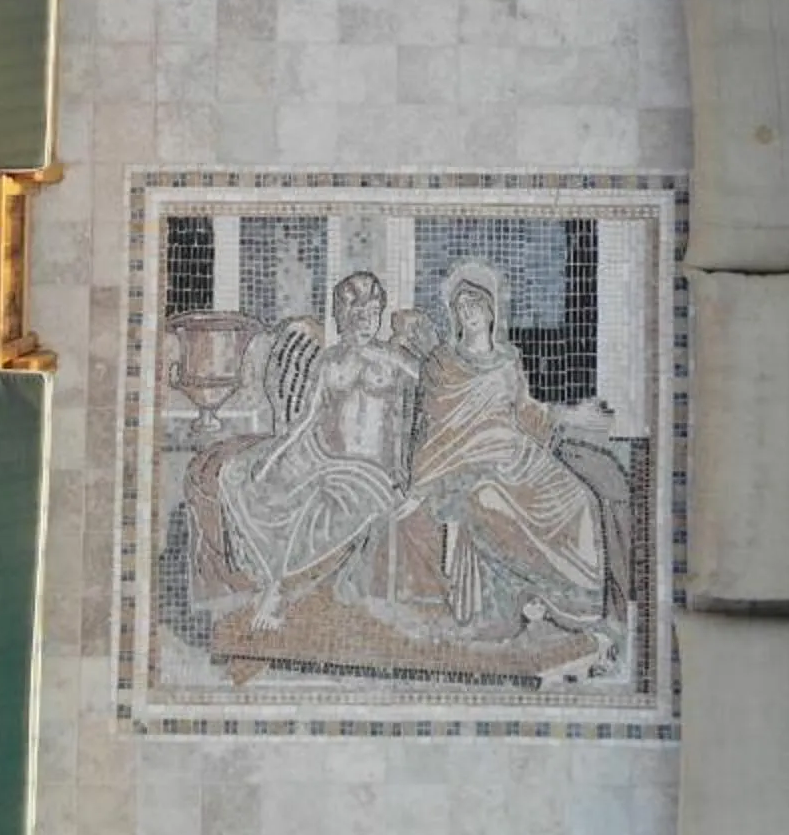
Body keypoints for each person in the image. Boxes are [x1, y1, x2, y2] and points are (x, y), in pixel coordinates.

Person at [395, 259, 611, 643]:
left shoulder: (509, 360)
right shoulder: (442, 365)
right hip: (471, 465)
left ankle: (575, 600)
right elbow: (430, 430)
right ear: (454, 315)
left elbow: (527, 411)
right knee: (488, 503)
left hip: (519, 456)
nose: (470, 313)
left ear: (492, 309)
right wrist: (419, 487)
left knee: (583, 499)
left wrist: (572, 416)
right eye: (462, 307)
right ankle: (524, 593)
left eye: (476, 304)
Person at [196, 271, 420, 629]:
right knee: (244, 477)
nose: (366, 321)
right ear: (342, 316)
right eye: (357, 313)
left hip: (370, 470)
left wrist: (408, 477)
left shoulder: (397, 359)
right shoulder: (329, 361)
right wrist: (272, 457)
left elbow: (424, 411)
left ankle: (280, 592)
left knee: (321, 508)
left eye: (373, 312)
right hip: (323, 456)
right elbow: (306, 420)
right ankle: (254, 577)